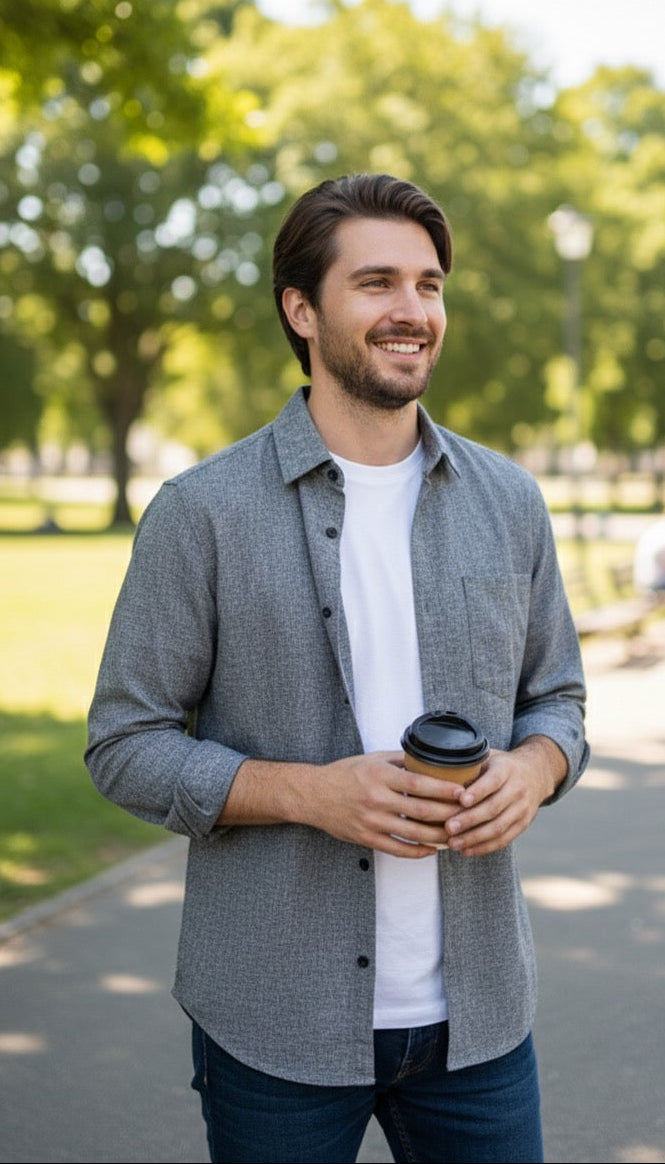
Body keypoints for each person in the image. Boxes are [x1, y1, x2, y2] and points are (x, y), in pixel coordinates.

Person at [85, 173, 589, 1164]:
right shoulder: (201, 513)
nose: (413, 310)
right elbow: (124, 744)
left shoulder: (509, 501)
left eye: (428, 285)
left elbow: (557, 698)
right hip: (271, 1026)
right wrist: (308, 794)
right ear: (301, 310)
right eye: (376, 283)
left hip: (480, 1027)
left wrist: (533, 770)